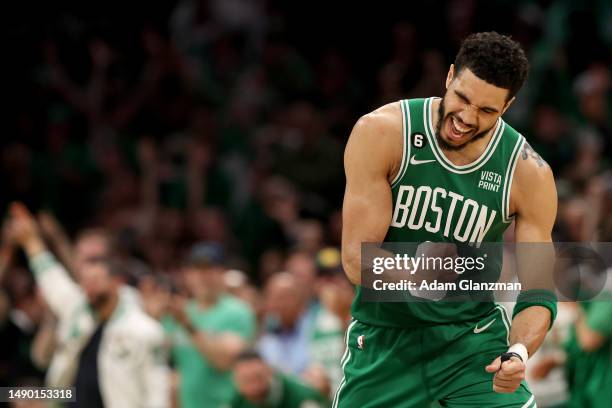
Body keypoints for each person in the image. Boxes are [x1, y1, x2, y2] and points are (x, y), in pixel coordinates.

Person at [340, 32, 558, 407]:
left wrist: (519, 351)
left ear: (508, 106)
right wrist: (418, 275)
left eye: (487, 111)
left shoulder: (528, 172)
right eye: (463, 98)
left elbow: (538, 290)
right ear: (450, 76)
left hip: (473, 344)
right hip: (385, 342)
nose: (466, 118)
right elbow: (356, 259)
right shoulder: (384, 132)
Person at [5, 202, 169, 408]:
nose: (89, 290)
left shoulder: (142, 326)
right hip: (65, 399)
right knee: (10, 394)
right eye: (86, 283)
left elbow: (157, 392)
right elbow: (52, 279)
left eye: (96, 282)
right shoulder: (80, 311)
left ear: (116, 280)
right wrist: (31, 241)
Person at [163, 244, 256, 408]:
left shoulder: (238, 312)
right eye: (196, 269)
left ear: (221, 272)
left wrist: (188, 325)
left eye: (209, 269)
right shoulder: (179, 311)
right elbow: (172, 367)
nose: (202, 276)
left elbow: (224, 361)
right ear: (187, 274)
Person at [225, 350, 328, 408]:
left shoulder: (300, 398)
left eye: (258, 378)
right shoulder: (237, 399)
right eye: (246, 380)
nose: (254, 387)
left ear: (269, 372)